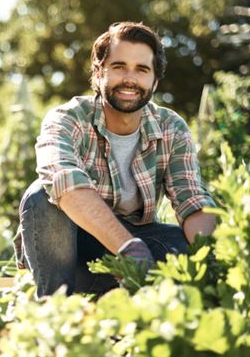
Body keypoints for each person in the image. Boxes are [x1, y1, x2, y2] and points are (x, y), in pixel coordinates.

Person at [15, 21, 216, 298]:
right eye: (119, 66)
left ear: (155, 80)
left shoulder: (171, 127)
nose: (130, 79)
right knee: (40, 196)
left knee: (183, 244)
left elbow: (191, 198)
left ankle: (135, 293)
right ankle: (54, 308)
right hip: (74, 259)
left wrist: (211, 258)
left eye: (142, 69)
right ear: (98, 74)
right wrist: (128, 246)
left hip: (139, 253)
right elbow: (63, 181)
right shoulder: (67, 119)